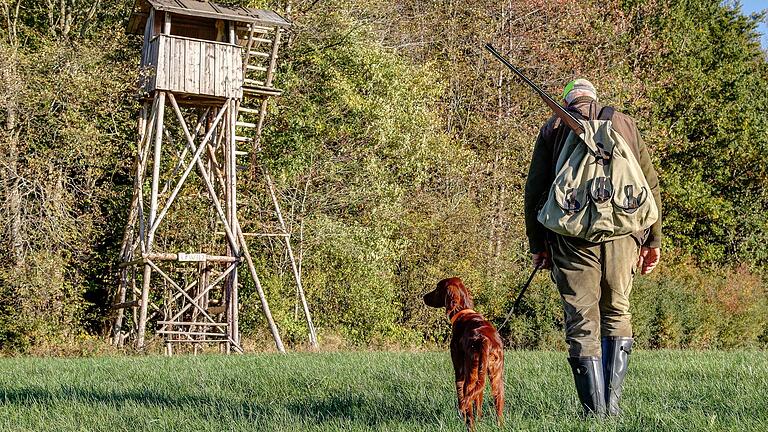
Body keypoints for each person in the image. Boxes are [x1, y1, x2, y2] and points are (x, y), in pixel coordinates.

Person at [523, 79, 662, 416]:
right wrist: (653, 240)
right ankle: (611, 409)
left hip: (571, 239)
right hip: (623, 234)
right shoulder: (624, 123)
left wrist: (538, 244)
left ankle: (593, 412)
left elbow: (534, 190)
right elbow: (649, 182)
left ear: (569, 100)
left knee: (583, 319)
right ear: (594, 98)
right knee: (617, 310)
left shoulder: (554, 127)